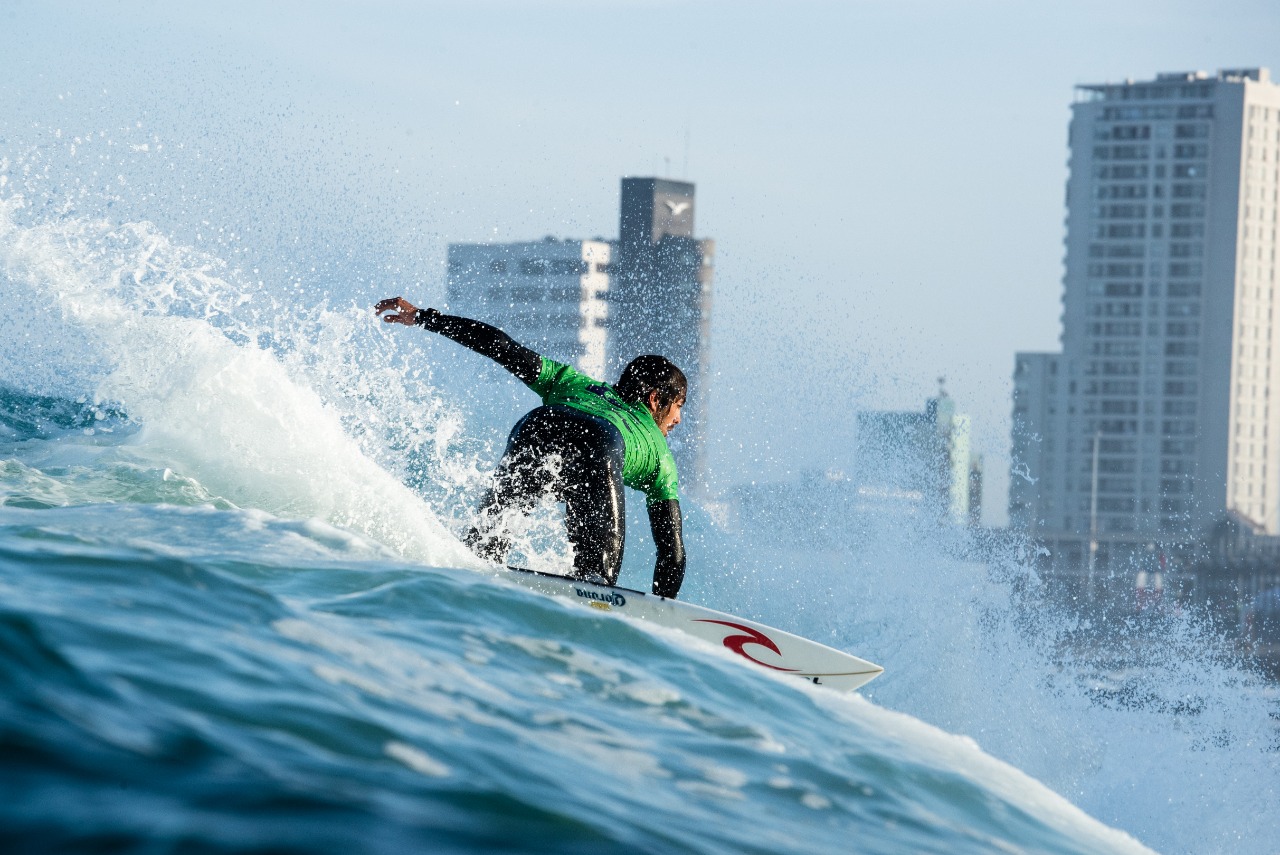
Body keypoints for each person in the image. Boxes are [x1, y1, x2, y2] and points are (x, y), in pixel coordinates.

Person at [376, 296, 687, 599]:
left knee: (482, 549)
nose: (678, 419)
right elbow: (671, 554)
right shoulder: (659, 453)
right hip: (600, 442)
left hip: (538, 426)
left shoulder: (575, 382)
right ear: (655, 400)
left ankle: (459, 586)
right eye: (677, 406)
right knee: (595, 588)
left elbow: (502, 346)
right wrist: (665, 610)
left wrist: (424, 317)